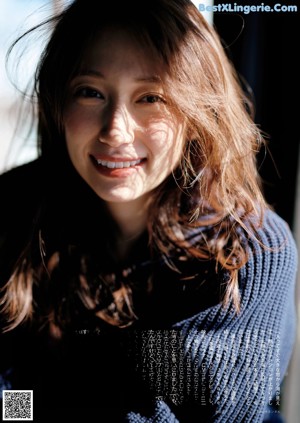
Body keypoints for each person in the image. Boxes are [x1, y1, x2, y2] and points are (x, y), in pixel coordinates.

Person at [0, 0, 297, 422]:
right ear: (58, 101)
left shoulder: (252, 249)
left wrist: (74, 369)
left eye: (151, 97)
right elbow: (11, 386)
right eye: (90, 92)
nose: (116, 129)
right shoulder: (16, 209)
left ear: (197, 112)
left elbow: (210, 408)